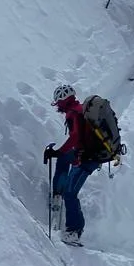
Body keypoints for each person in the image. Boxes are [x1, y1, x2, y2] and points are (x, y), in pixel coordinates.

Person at [43, 84, 96, 245]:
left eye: (58, 102)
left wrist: (58, 151)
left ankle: (74, 231)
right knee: (64, 159)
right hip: (88, 153)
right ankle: (58, 192)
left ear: (63, 100)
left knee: (70, 193)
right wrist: (62, 153)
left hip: (89, 157)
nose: (57, 106)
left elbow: (75, 137)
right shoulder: (79, 109)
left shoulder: (73, 113)